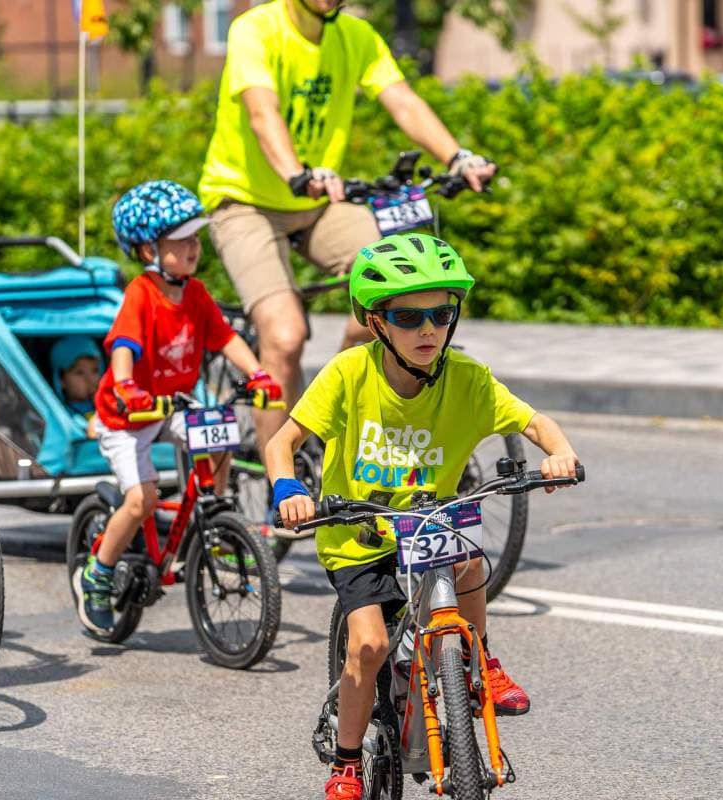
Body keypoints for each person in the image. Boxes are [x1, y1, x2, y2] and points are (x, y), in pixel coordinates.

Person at [265, 233, 581, 800]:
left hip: (429, 526)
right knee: (369, 647)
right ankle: (347, 762)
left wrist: (559, 452)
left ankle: (481, 662)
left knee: (469, 560)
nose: (428, 329)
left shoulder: (467, 379)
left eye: (441, 314)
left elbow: (536, 423)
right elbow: (281, 443)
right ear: (376, 322)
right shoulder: (348, 373)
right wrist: (289, 488)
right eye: (409, 317)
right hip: (359, 535)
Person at [198, 0, 496, 471]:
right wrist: (296, 173)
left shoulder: (355, 36)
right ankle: (283, 482)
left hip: (318, 202)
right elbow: (262, 113)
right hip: (245, 201)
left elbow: (403, 101)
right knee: (285, 336)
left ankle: (332, 405)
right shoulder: (256, 30)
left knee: (396, 282)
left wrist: (457, 158)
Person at [74, 180, 282, 635]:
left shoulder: (196, 293)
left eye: (196, 238)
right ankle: (98, 572)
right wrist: (126, 385)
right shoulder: (141, 294)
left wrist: (258, 374)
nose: (194, 247)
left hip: (172, 406)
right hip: (127, 416)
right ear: (150, 250)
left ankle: (215, 517)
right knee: (141, 500)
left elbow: (224, 337)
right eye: (182, 240)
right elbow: (124, 345)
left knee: (220, 433)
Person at [50, 335, 102, 437]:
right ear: (61, 380)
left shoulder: (108, 405)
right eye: (79, 373)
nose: (89, 379)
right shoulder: (61, 415)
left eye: (95, 371)